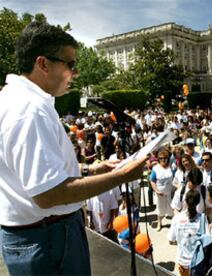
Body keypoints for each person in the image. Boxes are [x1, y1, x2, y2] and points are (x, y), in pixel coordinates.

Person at [0, 22, 146, 275]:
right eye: (70, 64)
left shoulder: (14, 99)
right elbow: (48, 194)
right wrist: (121, 176)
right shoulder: (30, 110)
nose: (75, 73)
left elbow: (30, 173)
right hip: (49, 238)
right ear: (43, 64)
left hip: (42, 235)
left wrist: (91, 169)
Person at [168, 190, 209, 276]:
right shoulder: (203, 218)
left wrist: (182, 241)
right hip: (198, 261)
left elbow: (171, 240)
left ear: (185, 201)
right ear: (198, 202)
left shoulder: (177, 218)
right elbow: (206, 241)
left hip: (182, 261)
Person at [150, 149, 174, 231]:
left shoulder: (171, 167)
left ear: (168, 158)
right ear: (158, 159)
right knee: (160, 209)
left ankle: (174, 225)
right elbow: (152, 181)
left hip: (170, 192)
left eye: (165, 158)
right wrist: (156, 190)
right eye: (161, 158)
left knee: (172, 208)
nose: (163, 160)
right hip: (160, 193)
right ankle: (159, 223)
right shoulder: (155, 168)